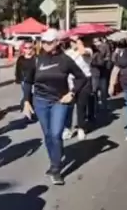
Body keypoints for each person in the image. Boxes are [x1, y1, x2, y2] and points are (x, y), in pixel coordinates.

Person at [25, 29, 88, 185]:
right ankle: (55, 160)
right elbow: (27, 81)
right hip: (40, 101)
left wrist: (72, 93)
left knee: (55, 134)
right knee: (47, 135)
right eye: (43, 42)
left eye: (49, 42)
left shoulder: (65, 60)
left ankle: (56, 168)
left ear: (57, 42)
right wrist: (27, 101)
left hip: (59, 101)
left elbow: (82, 77)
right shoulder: (37, 60)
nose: (45, 45)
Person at [63, 36, 93, 141]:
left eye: (74, 41)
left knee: (81, 106)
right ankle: (68, 128)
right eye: (71, 41)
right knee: (68, 106)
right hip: (71, 81)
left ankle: (81, 128)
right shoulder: (67, 52)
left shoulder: (88, 50)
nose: (72, 43)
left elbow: (83, 53)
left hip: (85, 80)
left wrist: (79, 42)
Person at [90, 36, 113, 115]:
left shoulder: (102, 46)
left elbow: (103, 57)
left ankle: (99, 105)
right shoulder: (98, 47)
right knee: (100, 89)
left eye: (96, 41)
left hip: (101, 69)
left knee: (98, 89)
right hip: (101, 70)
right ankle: (101, 105)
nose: (95, 43)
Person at [14, 42, 37, 120]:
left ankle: (30, 110)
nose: (28, 50)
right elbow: (18, 70)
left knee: (33, 95)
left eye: (30, 48)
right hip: (24, 80)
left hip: (34, 80)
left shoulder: (35, 58)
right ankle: (27, 112)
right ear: (23, 49)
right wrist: (17, 79)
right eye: (26, 48)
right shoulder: (21, 59)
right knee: (27, 95)